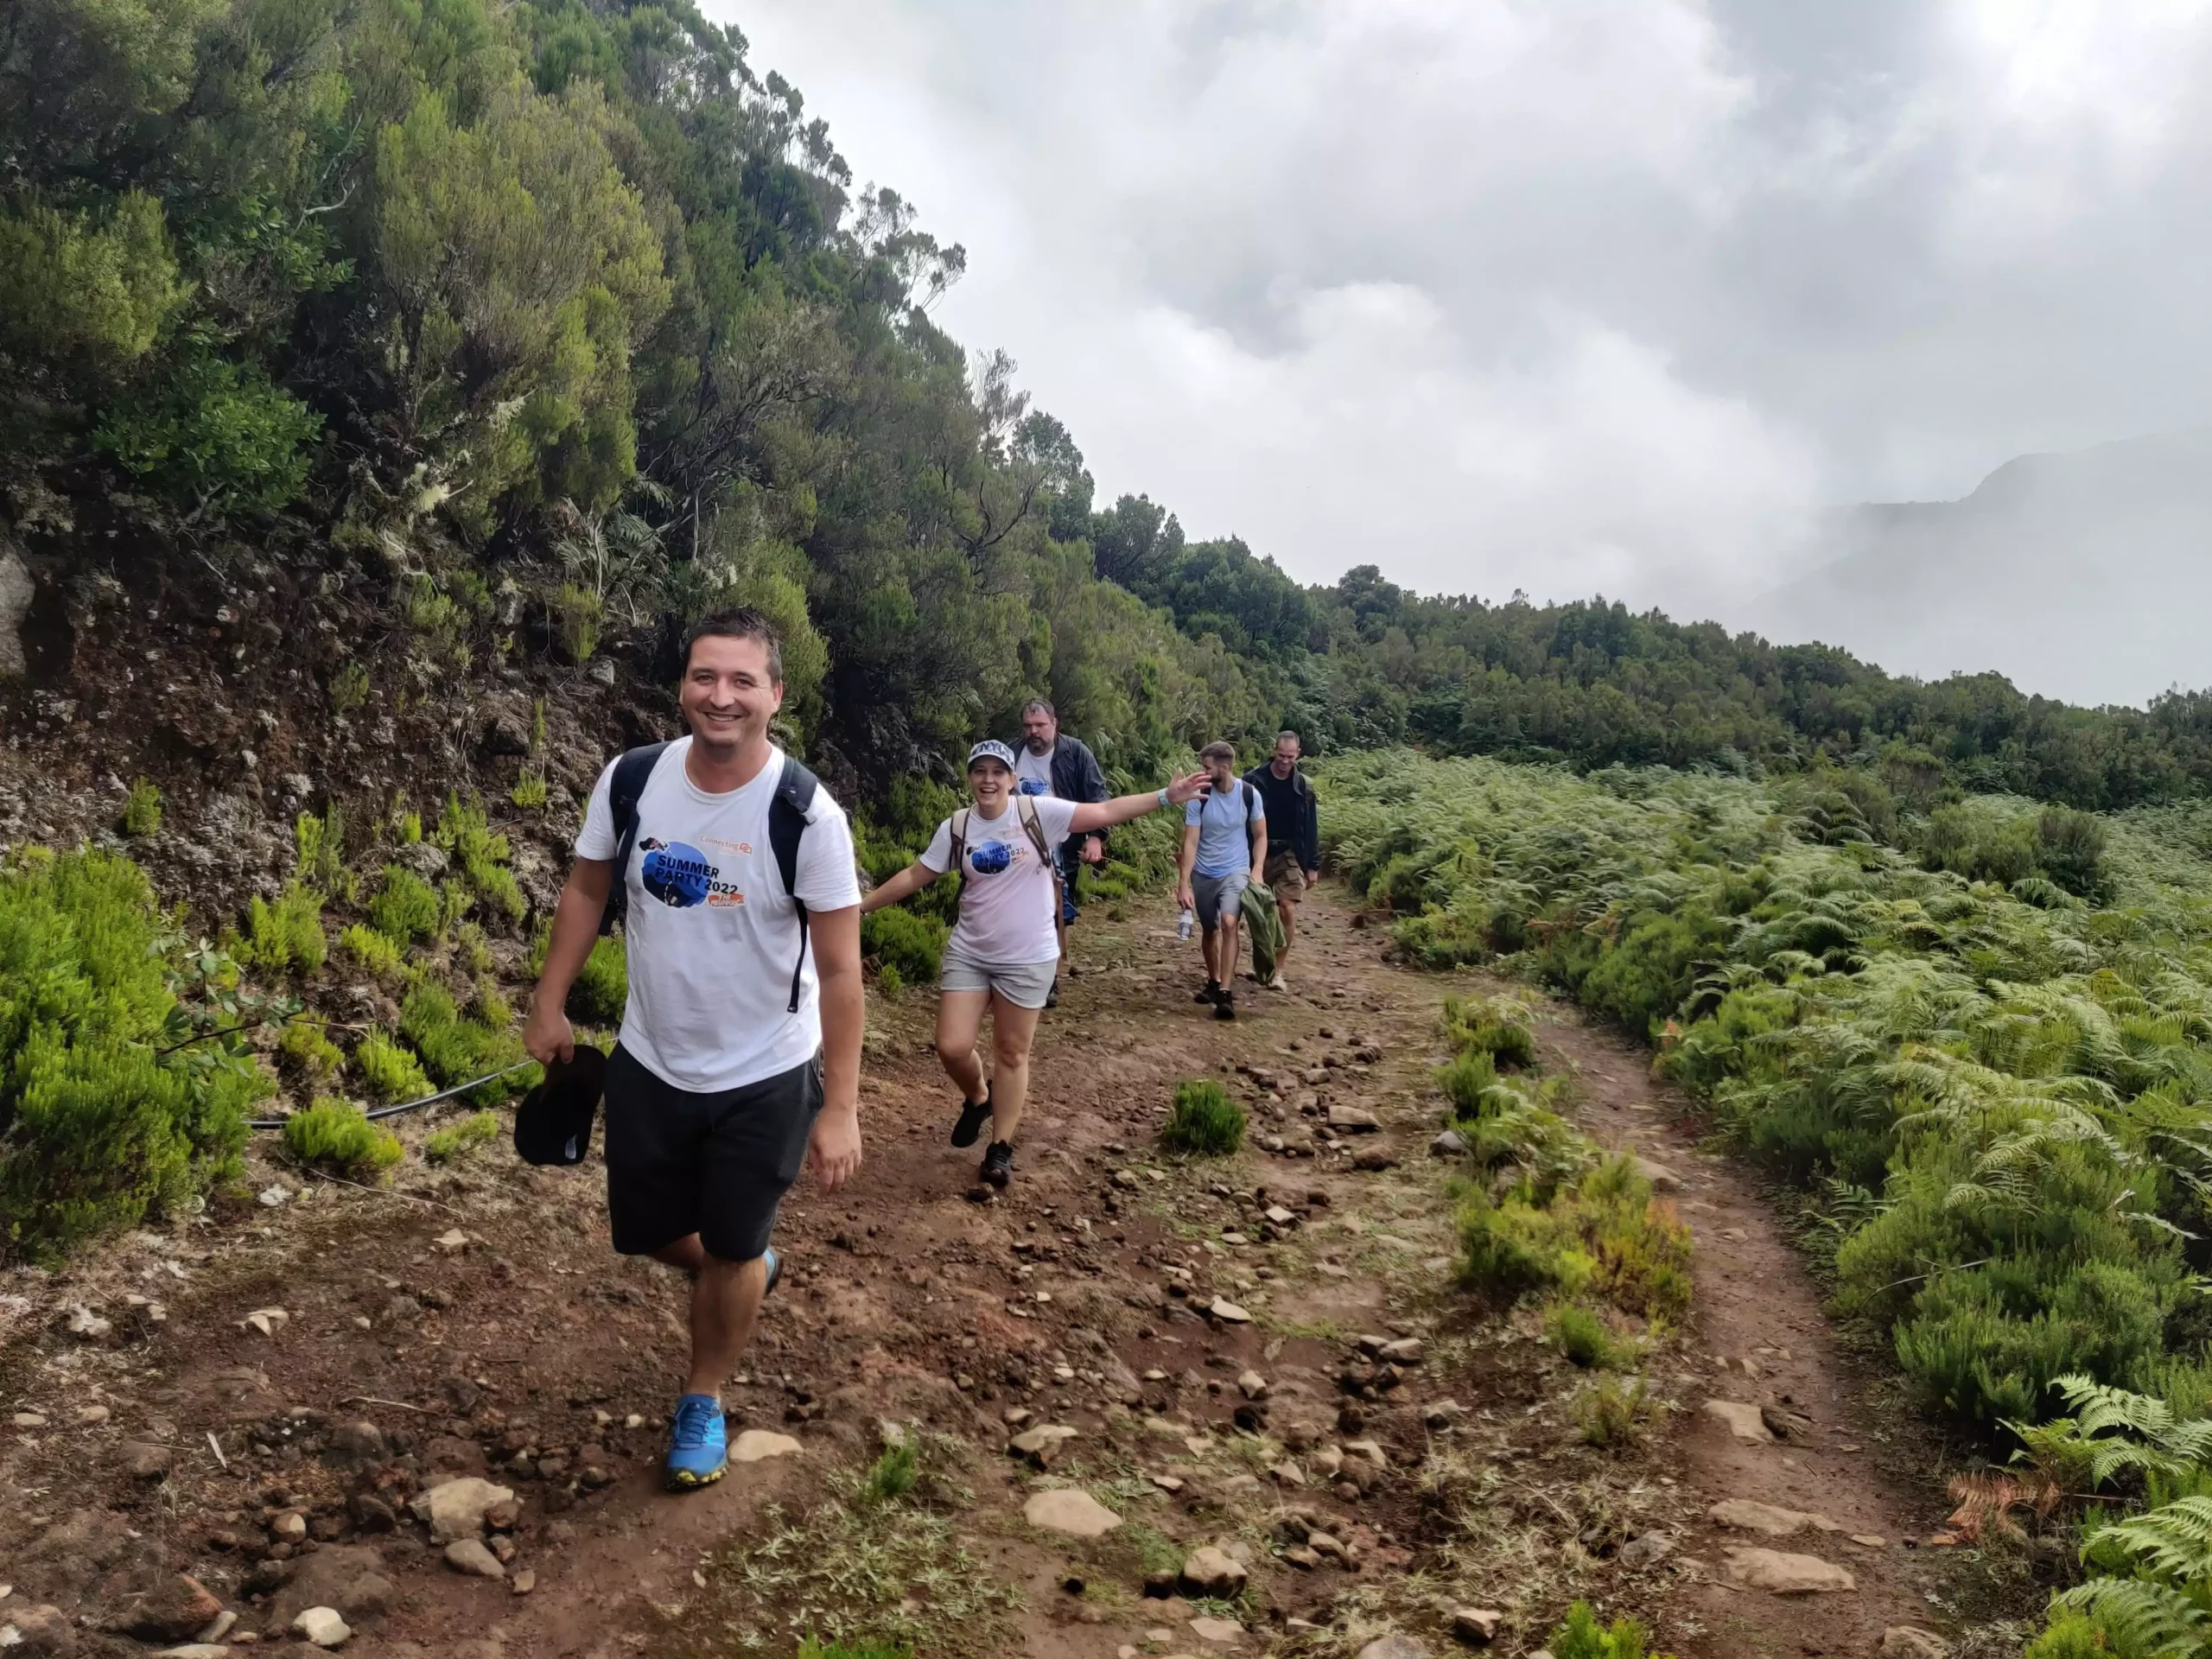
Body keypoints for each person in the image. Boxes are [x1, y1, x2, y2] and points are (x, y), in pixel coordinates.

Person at [523, 607, 864, 1494]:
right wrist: (549, 1002)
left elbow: (840, 972)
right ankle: (745, 1265)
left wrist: (840, 1107)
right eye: (705, 677)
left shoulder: (806, 816)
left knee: (729, 1243)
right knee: (646, 1234)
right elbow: (586, 889)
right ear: (683, 685)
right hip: (650, 1056)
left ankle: (703, 1397)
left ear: (775, 696)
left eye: (743, 681)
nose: (721, 697)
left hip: (765, 1073)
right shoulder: (633, 779)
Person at [864, 741, 1206, 1187]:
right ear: (970, 778)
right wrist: (860, 908)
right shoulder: (957, 827)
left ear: (1010, 777)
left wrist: (1165, 796)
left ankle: (1000, 1148)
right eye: (979, 771)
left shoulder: (1037, 813)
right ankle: (977, 1096)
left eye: (997, 771)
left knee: (1011, 1052)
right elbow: (916, 874)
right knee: (950, 1045)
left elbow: (1103, 813)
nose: (988, 779)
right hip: (971, 952)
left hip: (1028, 956)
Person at [1013, 699, 1110, 1007]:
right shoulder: (1010, 753)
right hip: (1019, 846)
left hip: (1062, 847)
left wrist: (1095, 838)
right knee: (1021, 913)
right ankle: (1017, 973)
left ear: (1054, 724)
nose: (1034, 732)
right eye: (1028, 726)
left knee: (1056, 914)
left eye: (1040, 725)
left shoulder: (1076, 753)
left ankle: (1049, 980)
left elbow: (1097, 796)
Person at [1178, 741, 1266, 1020]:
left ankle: (1226, 992)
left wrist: (1257, 869)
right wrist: (1184, 883)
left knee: (1230, 923)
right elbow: (1190, 841)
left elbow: (1260, 835)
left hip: (1236, 869)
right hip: (1203, 872)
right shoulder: (1199, 796)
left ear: (1224, 768)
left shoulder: (1250, 795)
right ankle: (1214, 981)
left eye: (1207, 767)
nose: (1202, 772)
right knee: (1209, 928)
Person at [1243, 731, 1319, 990]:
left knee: (1287, 907)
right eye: (1281, 755)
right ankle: (1262, 962)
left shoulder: (1304, 787)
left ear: (1298, 754)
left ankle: (1278, 970)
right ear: (1273, 750)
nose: (1286, 761)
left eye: (1291, 756)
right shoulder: (1253, 780)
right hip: (1258, 850)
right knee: (1259, 912)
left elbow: (1310, 827)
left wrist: (1312, 866)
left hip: (1290, 851)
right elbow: (1240, 820)